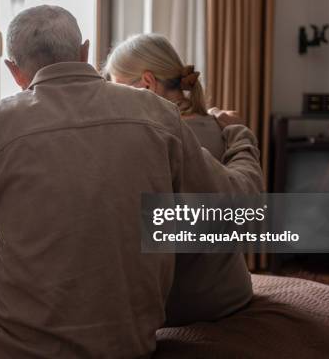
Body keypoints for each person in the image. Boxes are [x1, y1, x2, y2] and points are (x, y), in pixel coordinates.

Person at [0, 5, 263, 359]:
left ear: (14, 71)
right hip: (128, 347)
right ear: (84, 51)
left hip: (13, 349)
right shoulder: (158, 114)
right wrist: (239, 136)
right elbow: (235, 207)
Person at [104, 33, 256, 325]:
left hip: (180, 306)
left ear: (147, 83)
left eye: (118, 89)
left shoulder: (154, 139)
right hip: (230, 291)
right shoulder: (219, 126)